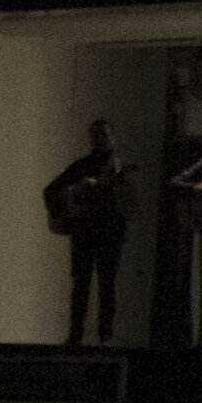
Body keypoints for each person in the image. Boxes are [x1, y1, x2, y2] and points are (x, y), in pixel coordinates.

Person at [44, 119, 138, 345]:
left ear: (112, 137)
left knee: (105, 287)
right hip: (86, 234)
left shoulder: (119, 168)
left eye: (103, 135)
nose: (100, 140)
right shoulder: (82, 167)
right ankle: (79, 336)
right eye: (96, 135)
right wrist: (76, 192)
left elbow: (132, 206)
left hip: (108, 235)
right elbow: (50, 191)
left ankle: (102, 337)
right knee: (83, 286)